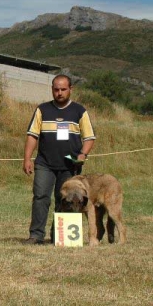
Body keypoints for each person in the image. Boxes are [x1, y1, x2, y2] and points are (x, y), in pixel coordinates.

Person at [23, 74, 96, 244]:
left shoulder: (79, 111)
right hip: (44, 163)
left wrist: (83, 154)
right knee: (41, 197)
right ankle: (36, 235)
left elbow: (89, 137)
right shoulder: (42, 109)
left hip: (70, 166)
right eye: (56, 89)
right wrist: (27, 158)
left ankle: (59, 236)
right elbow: (32, 135)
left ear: (71, 89)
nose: (60, 93)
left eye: (63, 89)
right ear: (52, 90)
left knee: (65, 200)